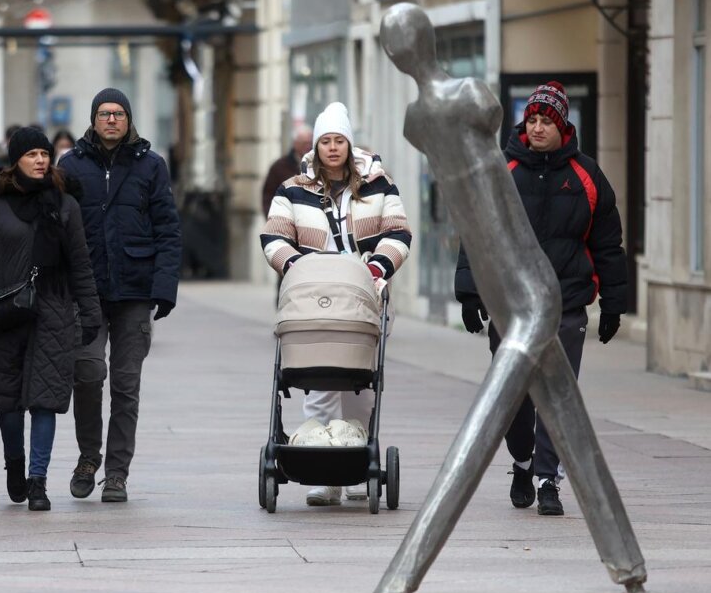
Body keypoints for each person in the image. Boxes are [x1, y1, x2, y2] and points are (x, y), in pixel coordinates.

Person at [455, 81, 628, 517]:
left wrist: (613, 303)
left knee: (558, 395)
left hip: (566, 304)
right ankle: (522, 462)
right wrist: (471, 292)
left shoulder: (587, 176)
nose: (537, 128)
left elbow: (608, 244)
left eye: (546, 121)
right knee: (513, 395)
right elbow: (477, 231)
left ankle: (549, 480)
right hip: (511, 305)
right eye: (531, 119)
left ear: (562, 125)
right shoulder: (502, 170)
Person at [260, 101, 412, 507]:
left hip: (364, 294)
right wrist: (296, 269)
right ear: (315, 145)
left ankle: (356, 463)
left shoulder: (379, 184)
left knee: (361, 383)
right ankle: (325, 474)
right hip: (313, 297)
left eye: (338, 140)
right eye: (325, 140)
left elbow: (398, 232)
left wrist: (377, 269)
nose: (332, 147)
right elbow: (274, 236)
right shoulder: (293, 188)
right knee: (318, 382)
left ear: (349, 143)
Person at [0, 127, 102, 512]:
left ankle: (38, 481)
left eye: (44, 154)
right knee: (6, 400)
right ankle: (15, 462)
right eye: (32, 154)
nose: (40, 160)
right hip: (6, 310)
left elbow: (81, 265)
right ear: (15, 159)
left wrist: (90, 313)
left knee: (46, 400)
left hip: (53, 311)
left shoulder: (65, 204)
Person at [57, 88, 182, 503]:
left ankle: (116, 473)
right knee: (87, 374)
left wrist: (164, 289)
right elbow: (58, 229)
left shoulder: (151, 166)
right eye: (104, 113)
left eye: (119, 113)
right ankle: (88, 457)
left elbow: (168, 230)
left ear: (129, 120)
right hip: (86, 293)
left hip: (134, 291)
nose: (111, 120)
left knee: (126, 386)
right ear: (93, 120)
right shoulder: (71, 165)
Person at [261, 125, 313, 219]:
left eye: (310, 143)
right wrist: (272, 220)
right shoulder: (279, 167)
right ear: (295, 143)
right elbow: (268, 196)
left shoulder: (318, 166)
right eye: (304, 143)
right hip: (284, 219)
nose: (308, 147)